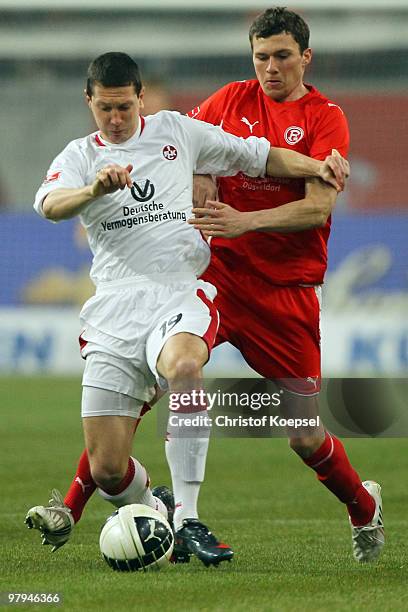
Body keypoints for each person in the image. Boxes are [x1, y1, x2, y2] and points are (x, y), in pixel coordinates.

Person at [24, 51, 347, 567]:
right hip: (113, 307)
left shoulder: (178, 132)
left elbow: (259, 156)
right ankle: (155, 507)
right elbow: (49, 205)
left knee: (185, 365)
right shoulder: (79, 156)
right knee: (108, 472)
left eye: (124, 107)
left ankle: (189, 516)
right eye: (105, 108)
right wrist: (93, 190)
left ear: (140, 98)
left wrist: (319, 164)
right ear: (89, 101)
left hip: (180, 290)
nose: (115, 118)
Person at [187, 7, 384, 564]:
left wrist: (244, 221)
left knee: (302, 433)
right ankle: (106, 498)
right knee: (165, 369)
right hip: (220, 275)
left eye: (281, 57)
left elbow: (318, 206)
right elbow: (183, 142)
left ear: (306, 57)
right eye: (260, 57)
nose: (270, 68)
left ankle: (362, 507)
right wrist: (200, 172)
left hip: (285, 290)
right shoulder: (228, 100)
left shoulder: (327, 118)